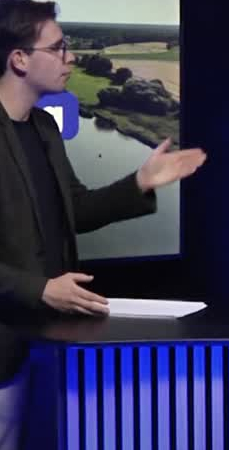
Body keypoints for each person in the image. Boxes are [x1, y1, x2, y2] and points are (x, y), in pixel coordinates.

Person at [0, 1, 205, 446]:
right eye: (58, 48)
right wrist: (39, 288)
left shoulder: (43, 128)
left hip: (45, 342)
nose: (71, 57)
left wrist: (140, 182)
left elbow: (74, 209)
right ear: (19, 59)